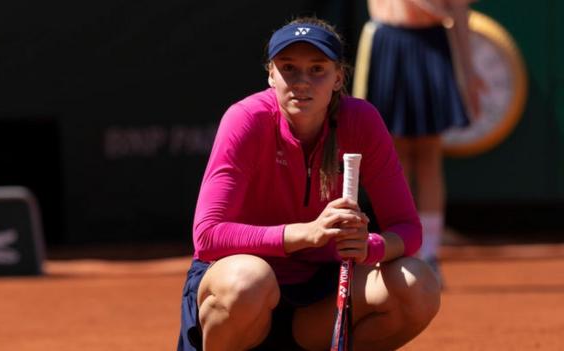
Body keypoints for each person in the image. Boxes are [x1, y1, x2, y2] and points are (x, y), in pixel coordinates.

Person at [178, 17, 440, 351]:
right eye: (289, 68)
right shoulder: (246, 119)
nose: (302, 82)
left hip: (319, 300)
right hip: (244, 294)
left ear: (338, 78)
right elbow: (208, 235)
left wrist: (368, 247)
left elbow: (408, 230)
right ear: (271, 74)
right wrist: (306, 234)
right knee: (249, 281)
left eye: (317, 69)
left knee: (418, 285)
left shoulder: (362, 121)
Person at [353, 0, 485, 281]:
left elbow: (458, 10)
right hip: (388, 43)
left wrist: (468, 71)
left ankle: (429, 256)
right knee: (393, 156)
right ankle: (399, 249)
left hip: (431, 45)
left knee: (428, 153)